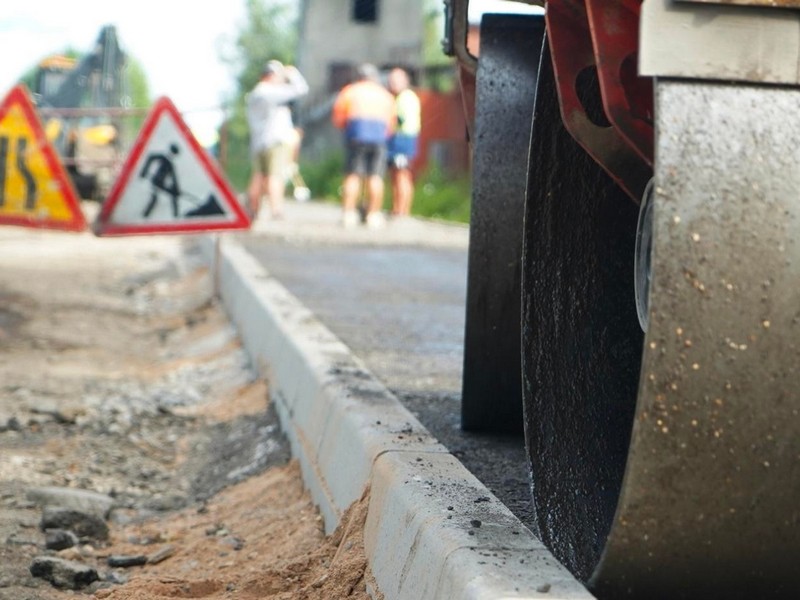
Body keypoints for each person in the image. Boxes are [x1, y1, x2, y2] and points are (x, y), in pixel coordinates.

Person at [331, 63, 396, 228]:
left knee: (353, 175)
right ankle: (373, 214)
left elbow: (339, 118)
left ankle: (348, 213)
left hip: (357, 136)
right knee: (375, 176)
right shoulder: (385, 95)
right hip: (378, 138)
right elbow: (391, 123)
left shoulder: (350, 91)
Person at [246, 60, 309, 219]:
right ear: (272, 75)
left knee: (259, 175)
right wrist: (292, 73)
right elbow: (301, 89)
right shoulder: (270, 92)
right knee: (275, 175)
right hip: (275, 140)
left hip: (259, 141)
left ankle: (252, 208)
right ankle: (276, 210)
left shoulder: (255, 94)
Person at [387, 67, 421, 218]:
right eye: (391, 80)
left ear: (405, 81)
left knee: (402, 174)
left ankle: (402, 210)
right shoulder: (402, 97)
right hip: (400, 139)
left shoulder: (406, 97)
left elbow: (400, 120)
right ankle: (397, 208)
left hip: (402, 139)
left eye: (396, 80)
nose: (392, 83)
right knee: (396, 175)